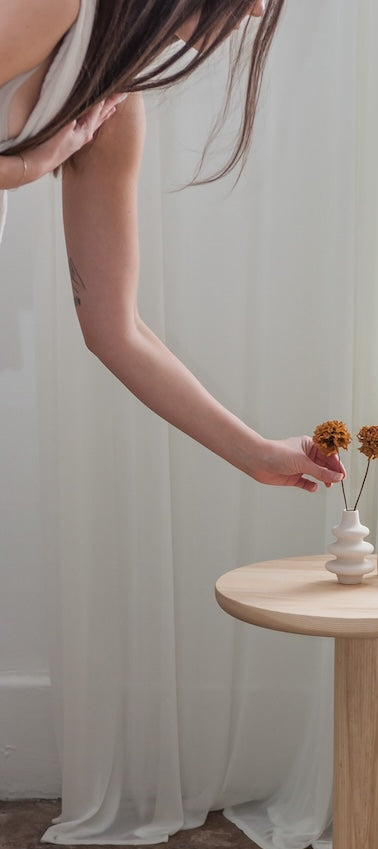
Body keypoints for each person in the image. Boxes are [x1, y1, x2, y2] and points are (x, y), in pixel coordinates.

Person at [0, 0, 345, 493]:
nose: (257, 10)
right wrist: (26, 168)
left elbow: (116, 330)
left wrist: (256, 452)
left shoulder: (112, 103)